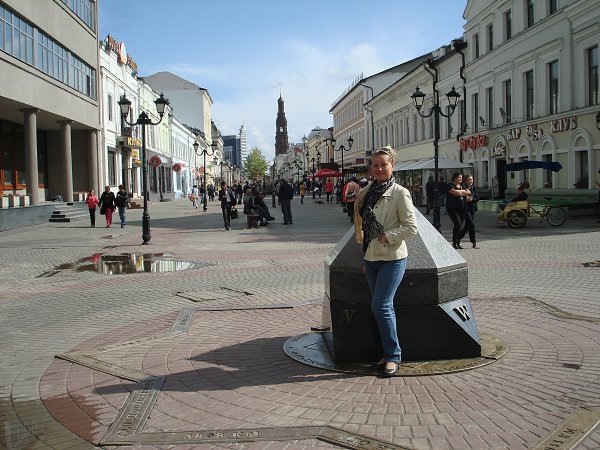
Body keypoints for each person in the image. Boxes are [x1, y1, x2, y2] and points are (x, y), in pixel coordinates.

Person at [353, 146, 418, 377]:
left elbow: (411, 227)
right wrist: (366, 256)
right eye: (376, 165)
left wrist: (387, 236)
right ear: (371, 167)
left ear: (392, 166)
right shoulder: (367, 191)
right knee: (382, 307)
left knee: (381, 305)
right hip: (372, 258)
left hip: (392, 258)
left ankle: (393, 356)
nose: (379, 169)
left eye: (384, 164)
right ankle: (386, 353)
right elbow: (363, 227)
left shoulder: (400, 193)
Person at [446, 172, 469, 249]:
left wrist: (459, 193)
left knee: (460, 226)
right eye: (459, 177)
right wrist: (462, 192)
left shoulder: (462, 186)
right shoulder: (450, 185)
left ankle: (458, 242)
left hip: (462, 209)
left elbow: (468, 192)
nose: (461, 179)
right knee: (458, 224)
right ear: (455, 178)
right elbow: (454, 192)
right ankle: (454, 242)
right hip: (452, 209)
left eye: (461, 178)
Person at [458, 175, 480, 249]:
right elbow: (461, 197)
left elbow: (477, 197)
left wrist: (472, 199)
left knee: (467, 226)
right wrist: (466, 199)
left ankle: (458, 238)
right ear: (465, 181)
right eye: (468, 180)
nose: (470, 181)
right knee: (471, 224)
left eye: (471, 180)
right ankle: (474, 242)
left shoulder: (474, 188)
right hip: (465, 208)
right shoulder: (463, 188)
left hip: (472, 208)